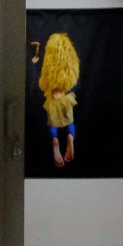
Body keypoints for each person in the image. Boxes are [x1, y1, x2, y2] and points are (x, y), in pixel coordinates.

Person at [37, 31, 80, 167]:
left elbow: (44, 83)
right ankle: (70, 136)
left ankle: (55, 140)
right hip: (66, 98)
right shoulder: (70, 62)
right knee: (70, 121)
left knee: (53, 123)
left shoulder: (49, 64)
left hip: (52, 100)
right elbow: (73, 78)